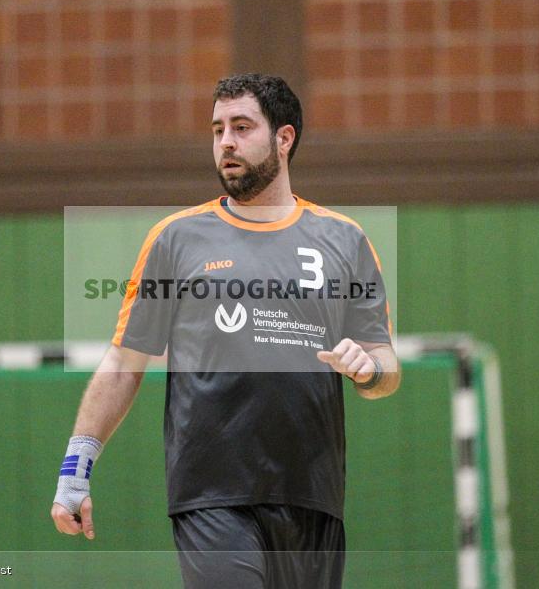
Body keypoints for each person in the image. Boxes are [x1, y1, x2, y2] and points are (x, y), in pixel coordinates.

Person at [51, 73, 401, 588]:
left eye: (241, 127)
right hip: (212, 495)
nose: (226, 143)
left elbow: (385, 366)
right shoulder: (176, 239)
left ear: (284, 139)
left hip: (312, 495)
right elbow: (125, 362)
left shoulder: (344, 240)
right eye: (217, 130)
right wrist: (75, 467)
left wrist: (369, 369)